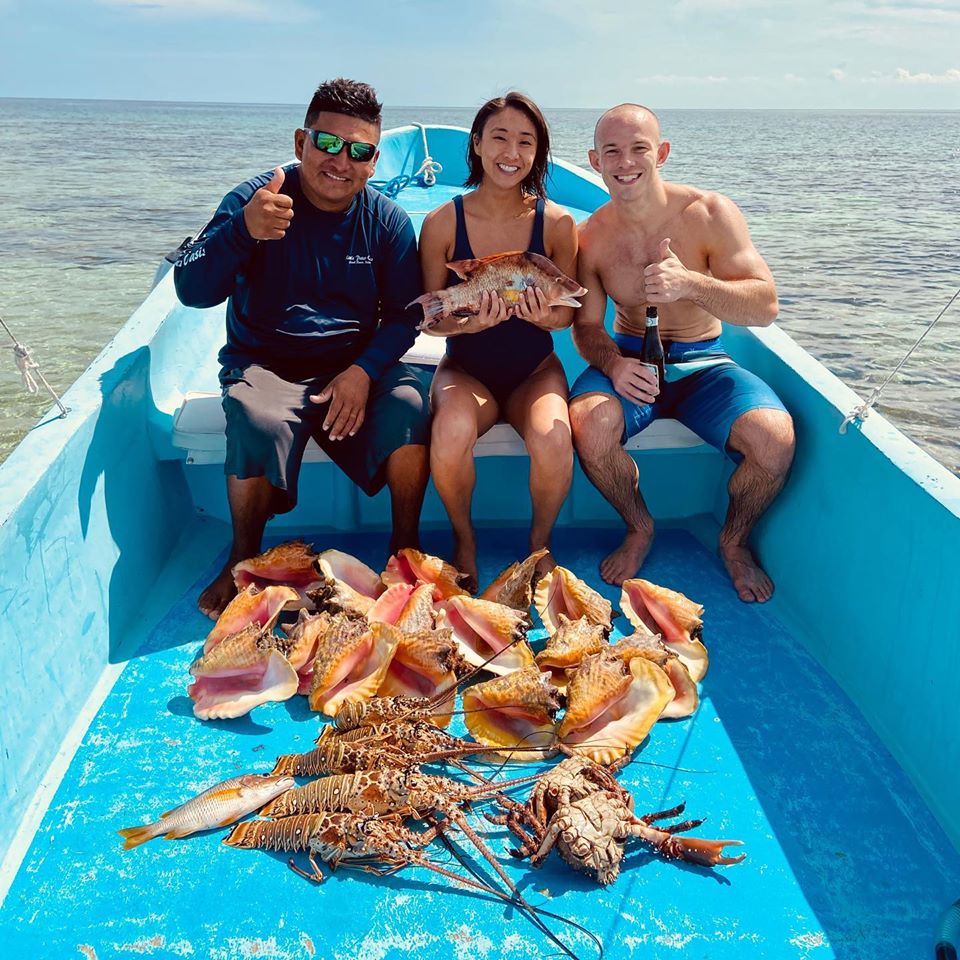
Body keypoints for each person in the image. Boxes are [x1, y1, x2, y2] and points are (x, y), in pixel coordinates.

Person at [174, 78, 430, 619]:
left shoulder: (386, 221)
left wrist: (363, 371)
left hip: (352, 367)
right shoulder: (255, 201)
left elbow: (406, 315)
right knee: (255, 417)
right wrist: (242, 231)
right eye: (328, 143)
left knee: (411, 404)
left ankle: (404, 548)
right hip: (265, 365)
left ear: (374, 161)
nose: (341, 161)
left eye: (359, 151)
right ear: (300, 142)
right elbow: (190, 290)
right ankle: (242, 556)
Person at [569, 103, 795, 602]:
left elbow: (765, 305)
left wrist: (691, 284)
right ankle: (639, 526)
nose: (626, 162)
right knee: (588, 425)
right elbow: (585, 327)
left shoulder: (709, 213)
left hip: (704, 363)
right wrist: (614, 364)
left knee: (774, 441)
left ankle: (734, 542)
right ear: (594, 161)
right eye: (612, 152)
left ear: (662, 152)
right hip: (630, 358)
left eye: (639, 148)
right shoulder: (591, 238)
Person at [418, 92, 578, 591]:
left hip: (535, 373)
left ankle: (539, 544)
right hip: (465, 372)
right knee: (449, 432)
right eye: (500, 138)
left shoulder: (557, 224)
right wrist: (468, 326)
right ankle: (463, 539)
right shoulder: (443, 223)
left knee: (555, 438)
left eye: (526, 142)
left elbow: (566, 314)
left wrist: (545, 316)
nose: (512, 153)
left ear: (538, 152)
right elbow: (430, 320)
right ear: (477, 144)